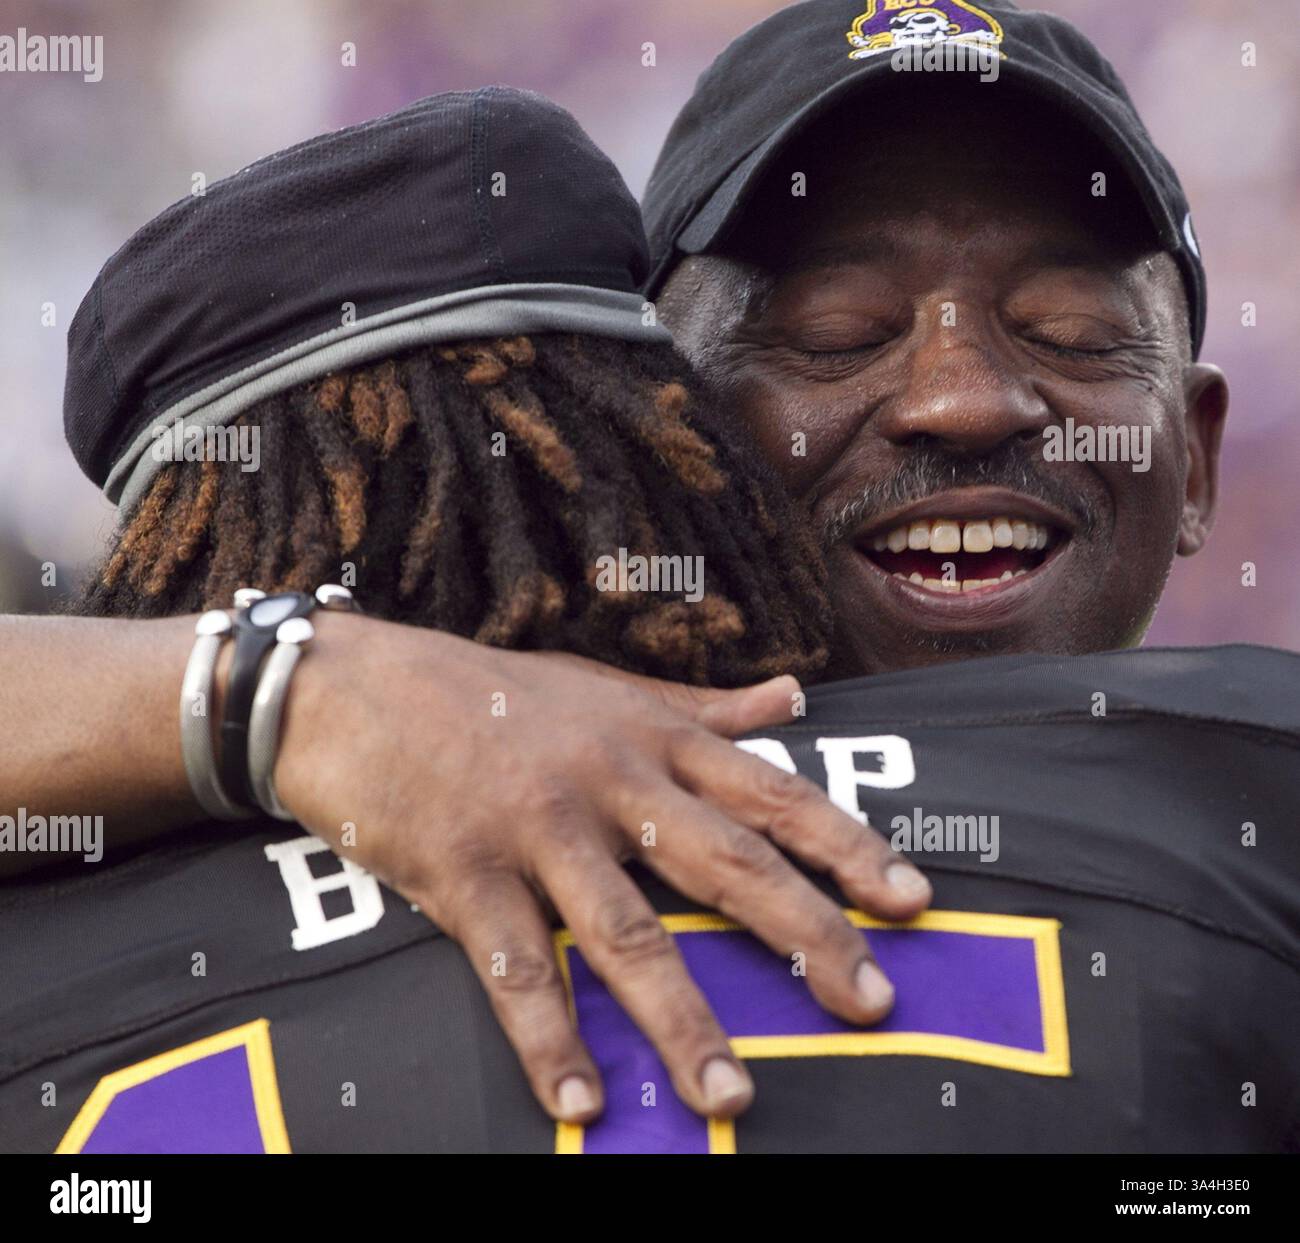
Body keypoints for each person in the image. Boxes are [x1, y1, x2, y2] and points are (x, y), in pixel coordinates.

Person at [0, 0, 1257, 1138]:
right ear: (676, 434)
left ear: (1195, 461)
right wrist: (314, 694)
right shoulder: (1239, 807)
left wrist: (268, 692)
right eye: (834, 336)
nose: (964, 398)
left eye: (1072, 334)